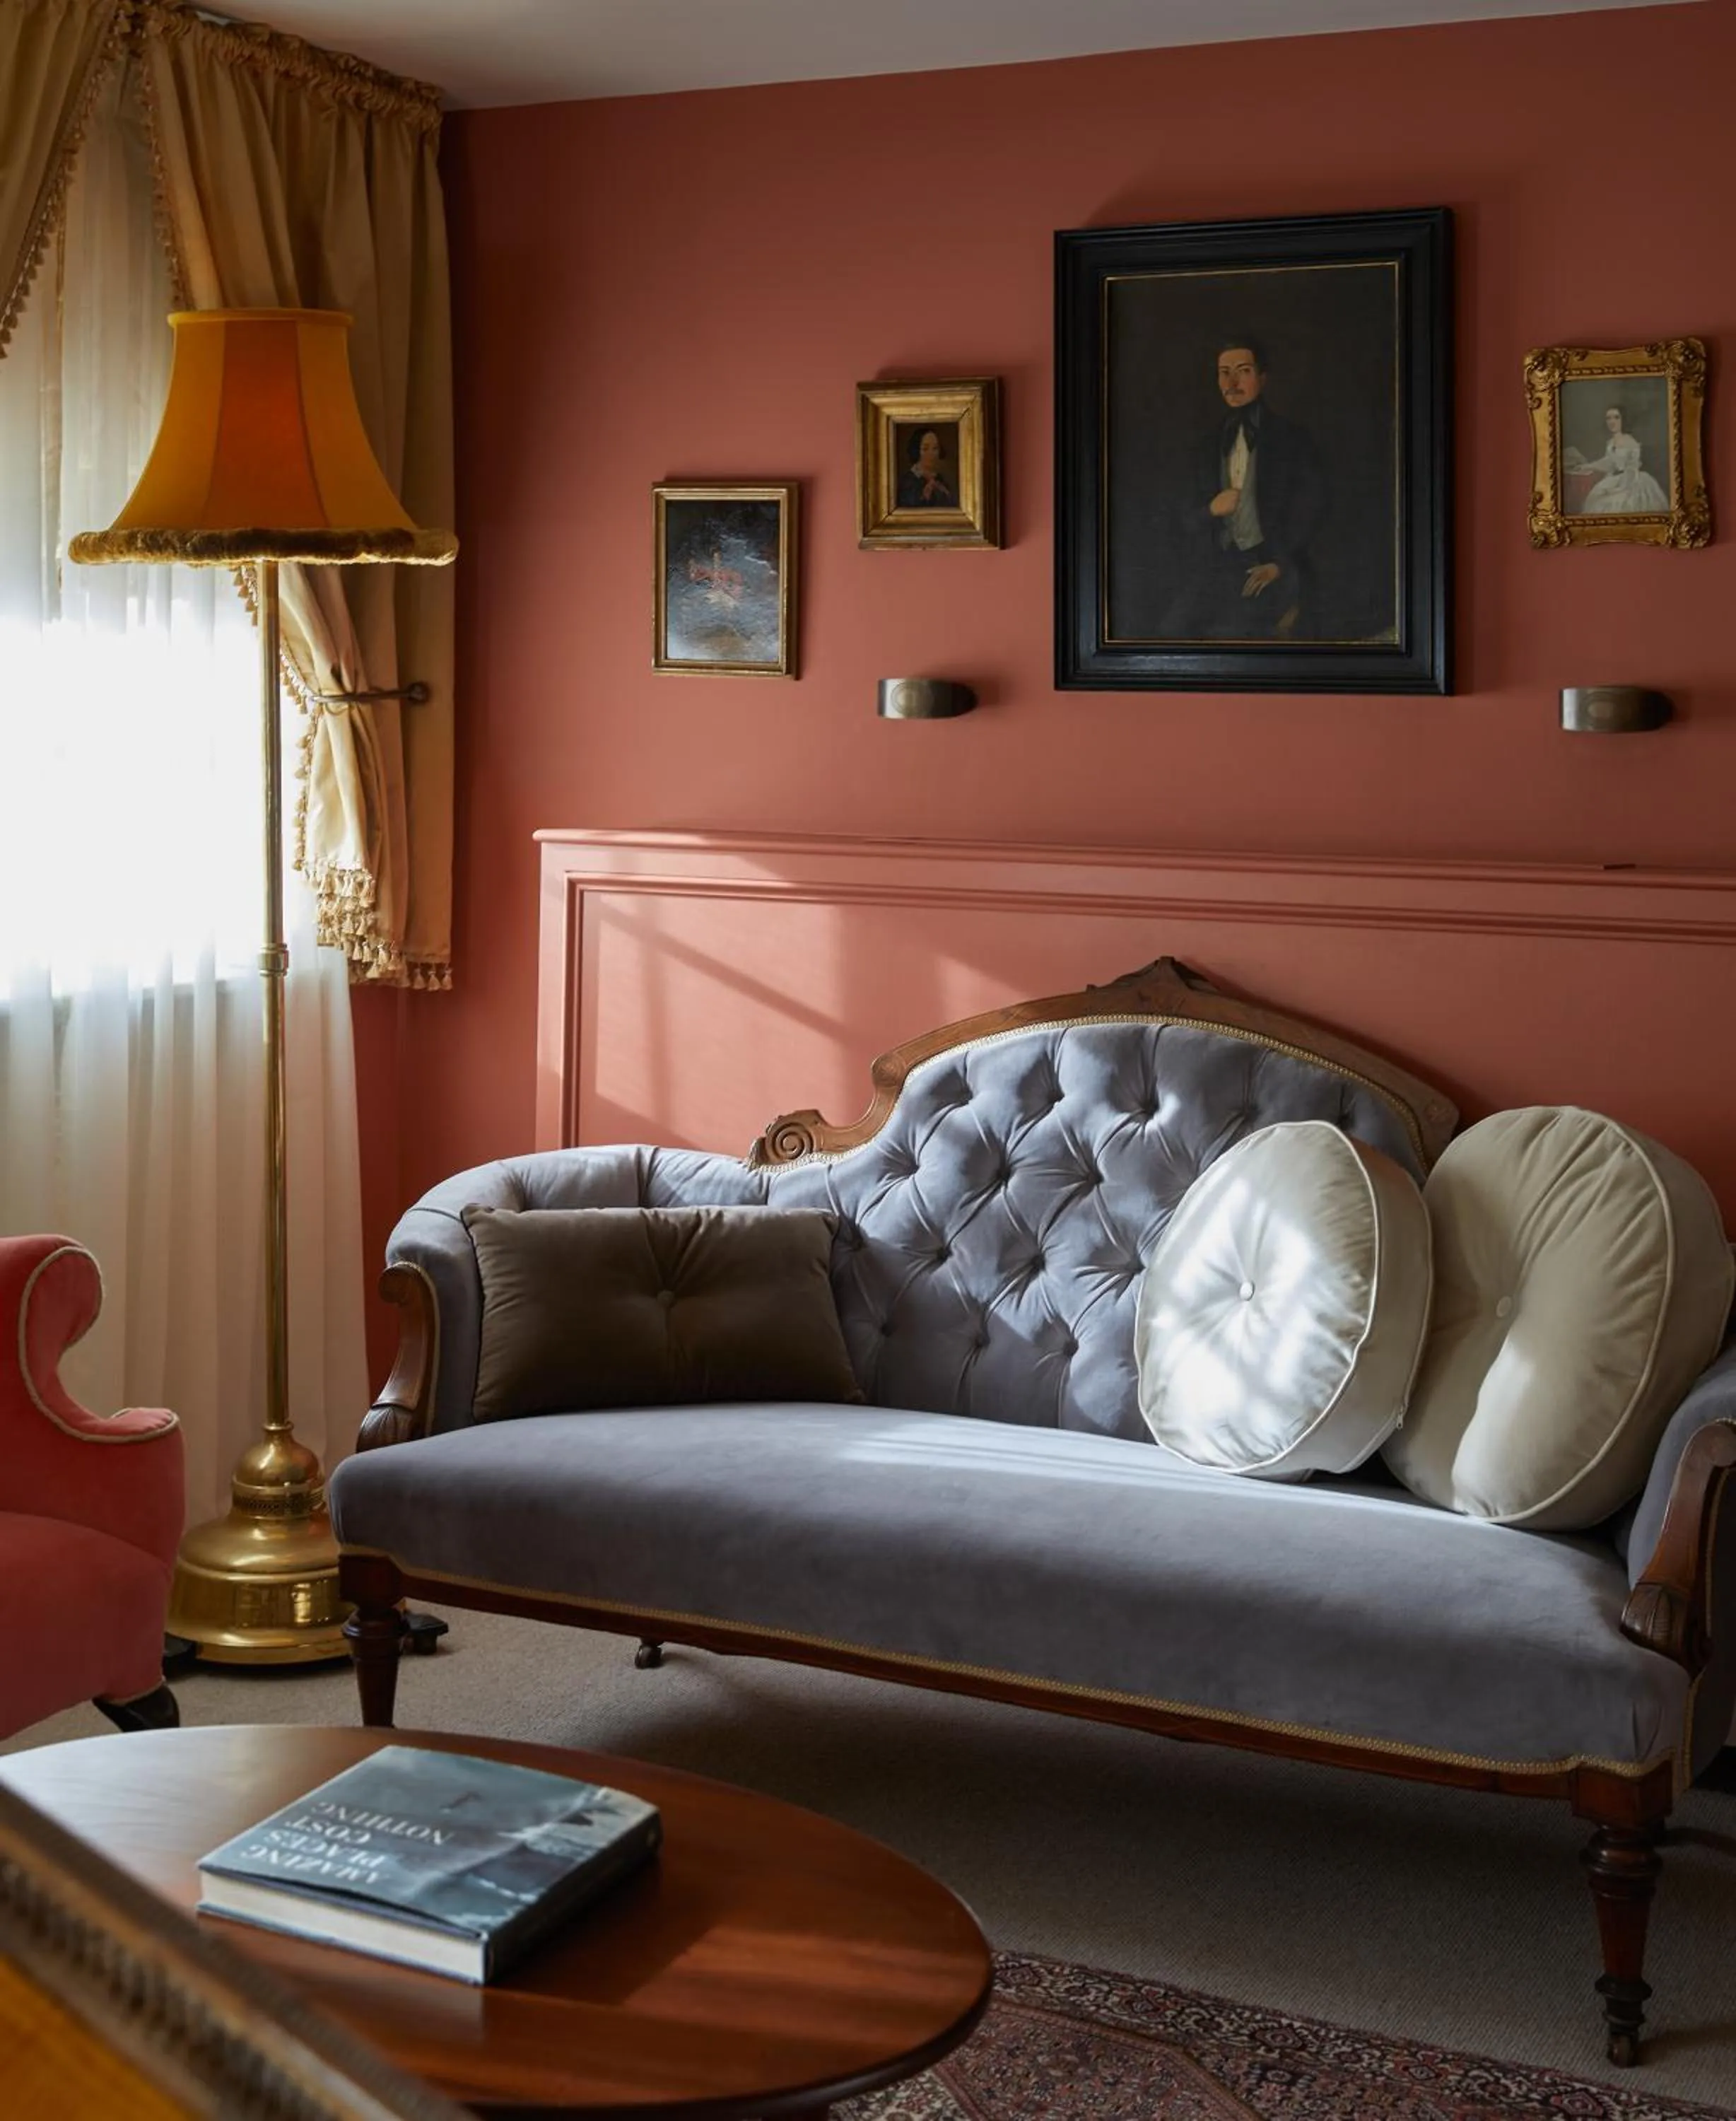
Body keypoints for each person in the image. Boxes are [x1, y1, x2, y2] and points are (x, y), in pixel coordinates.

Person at [1161, 337, 1325, 640]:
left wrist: (1280, 563)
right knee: (1173, 633)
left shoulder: (1293, 440)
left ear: (1263, 378)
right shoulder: (1205, 445)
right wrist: (1212, 509)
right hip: (1215, 566)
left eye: (1243, 371)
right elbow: (1181, 518)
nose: (1232, 382)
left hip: (1271, 565)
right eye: (1224, 372)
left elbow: (1312, 509)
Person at [1566, 404, 1667, 515]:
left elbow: (1632, 469)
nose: (1612, 421)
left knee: (1618, 503)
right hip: (1614, 479)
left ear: (1623, 419)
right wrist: (1587, 466)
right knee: (1595, 499)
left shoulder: (1630, 441)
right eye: (1608, 418)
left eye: (1616, 417)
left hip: (1631, 482)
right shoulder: (1610, 443)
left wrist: (1619, 488)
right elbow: (1609, 462)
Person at [896, 429, 956, 509]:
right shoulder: (908, 482)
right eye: (925, 449)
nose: (931, 454)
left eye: (935, 448)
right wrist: (925, 497)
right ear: (917, 451)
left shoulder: (940, 479)